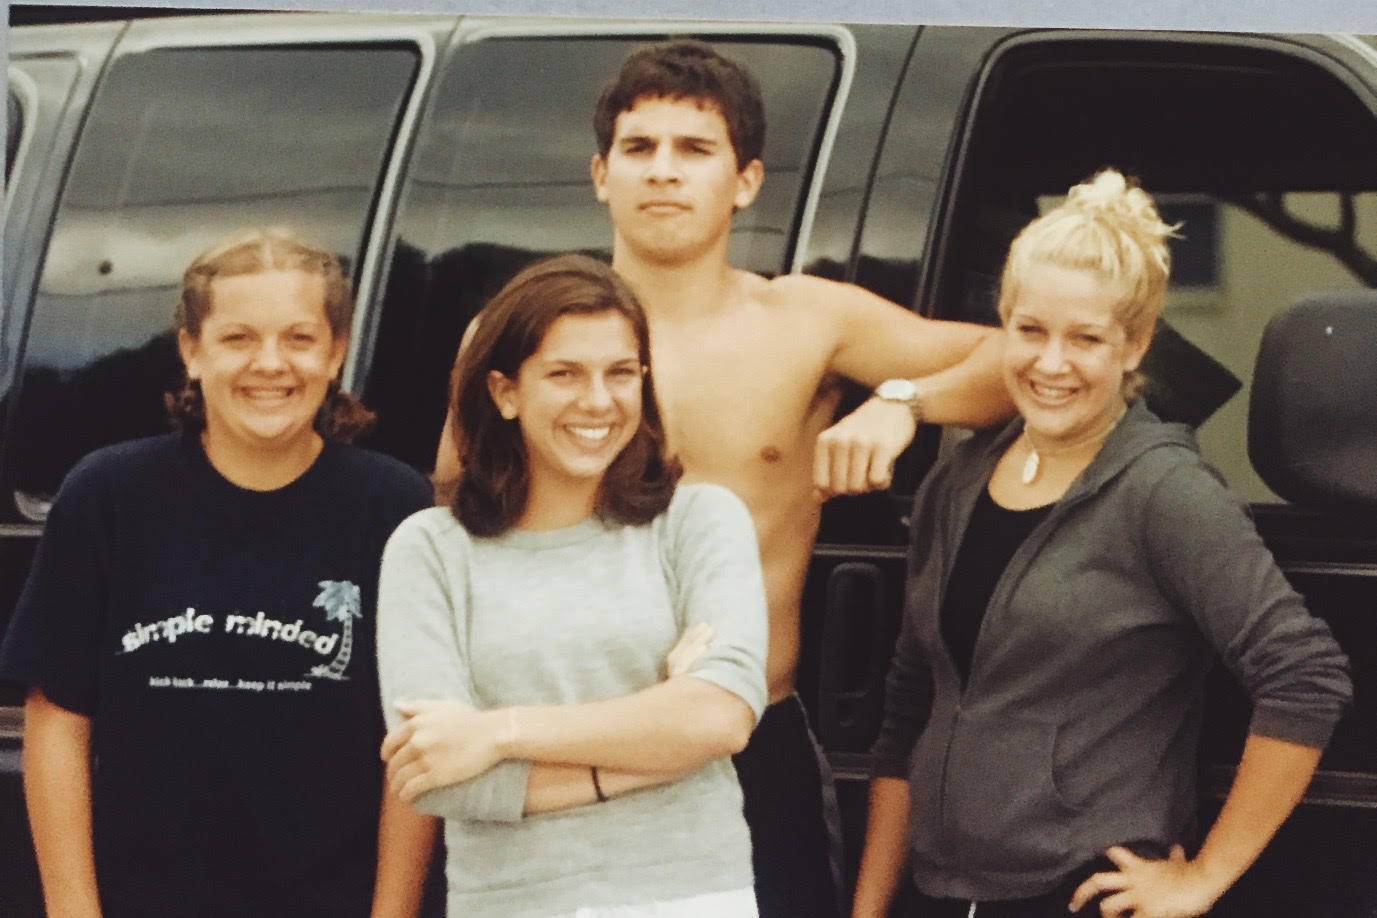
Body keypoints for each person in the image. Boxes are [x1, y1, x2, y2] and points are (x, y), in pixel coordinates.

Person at [433, 40, 1014, 918]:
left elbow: (1025, 361)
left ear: (745, 182)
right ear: (599, 174)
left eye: (694, 150)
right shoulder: (519, 336)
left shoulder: (806, 321)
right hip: (552, 740)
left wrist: (902, 400)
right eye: (640, 148)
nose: (663, 172)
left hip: (743, 740)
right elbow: (459, 522)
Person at [849, 169, 1353, 918]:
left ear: (1134, 344)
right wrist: (868, 908)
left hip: (1079, 892)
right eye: (1029, 331)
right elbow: (908, 708)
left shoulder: (1163, 492)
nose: (1050, 364)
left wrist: (1203, 876)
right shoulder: (954, 485)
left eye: (1085, 338)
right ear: (1002, 324)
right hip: (934, 891)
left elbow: (1305, 677)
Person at [0, 228, 436, 918]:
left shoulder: (392, 506)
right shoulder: (109, 495)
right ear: (191, 352)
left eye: (298, 338)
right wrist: (73, 910)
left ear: (336, 352)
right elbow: (58, 717)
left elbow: (413, 740)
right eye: (237, 339)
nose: (270, 363)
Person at [376, 253, 769, 918]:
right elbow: (439, 780)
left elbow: (719, 717)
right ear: (504, 392)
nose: (598, 401)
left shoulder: (700, 522)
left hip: (689, 895)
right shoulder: (430, 551)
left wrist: (496, 734)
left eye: (620, 373)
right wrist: (659, 744)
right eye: (564, 374)